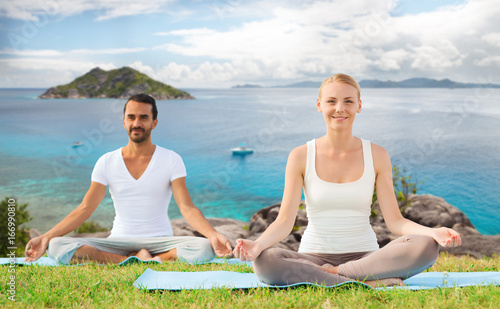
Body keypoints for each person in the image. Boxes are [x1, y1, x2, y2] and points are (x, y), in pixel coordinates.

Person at [233, 74, 461, 287]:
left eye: (348, 101)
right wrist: (258, 245)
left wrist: (432, 232)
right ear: (319, 105)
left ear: (359, 106)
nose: (340, 109)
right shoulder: (301, 155)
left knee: (427, 247)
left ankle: (334, 277)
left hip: (367, 256)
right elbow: (283, 221)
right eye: (331, 101)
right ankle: (364, 281)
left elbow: (395, 222)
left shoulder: (378, 155)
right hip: (313, 256)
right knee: (266, 262)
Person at [25, 93, 232, 264]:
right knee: (57, 246)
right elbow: (85, 209)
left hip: (161, 240)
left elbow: (187, 208)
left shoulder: (171, 159)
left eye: (143, 117)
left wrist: (212, 235)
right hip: (118, 240)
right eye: (131, 117)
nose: (137, 123)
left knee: (204, 247)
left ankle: (149, 258)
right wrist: (46, 236)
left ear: (154, 122)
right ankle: (133, 259)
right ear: (124, 122)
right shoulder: (106, 161)